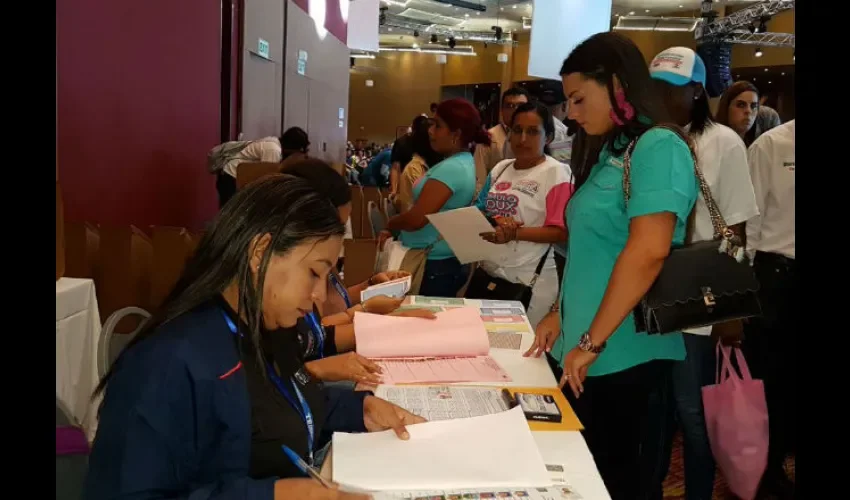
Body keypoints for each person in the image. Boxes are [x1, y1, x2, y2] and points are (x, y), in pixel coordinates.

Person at [84, 175, 425, 500]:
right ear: (260, 253)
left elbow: (293, 402)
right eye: (313, 273)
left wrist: (360, 409)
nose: (321, 294)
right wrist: (274, 494)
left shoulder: (265, 327)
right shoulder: (167, 363)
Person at [527, 32, 698, 500]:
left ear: (618, 84)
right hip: (586, 354)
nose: (572, 114)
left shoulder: (659, 147)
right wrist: (561, 316)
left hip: (624, 356)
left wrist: (589, 340)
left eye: (579, 99)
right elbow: (592, 252)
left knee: (621, 483)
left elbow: (648, 251)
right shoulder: (611, 153)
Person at [642, 46, 760, 500]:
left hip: (698, 291)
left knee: (693, 410)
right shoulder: (644, 139)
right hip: (648, 285)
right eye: (655, 89)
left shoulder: (723, 142)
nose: (663, 99)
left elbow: (737, 226)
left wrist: (732, 310)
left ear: (696, 92)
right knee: (655, 406)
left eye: (673, 90)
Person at [470, 101, 573, 328]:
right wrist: (496, 221)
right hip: (489, 273)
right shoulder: (501, 169)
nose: (522, 139)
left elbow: (560, 231)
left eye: (533, 132)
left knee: (519, 350)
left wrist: (515, 233)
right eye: (517, 130)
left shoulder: (556, 174)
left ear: (548, 138)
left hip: (529, 279)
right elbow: (480, 209)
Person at [380, 98, 490, 297]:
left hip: (433, 263)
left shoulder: (452, 168)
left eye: (437, 126)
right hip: (439, 260)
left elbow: (417, 219)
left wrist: (390, 223)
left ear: (455, 134)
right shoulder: (460, 163)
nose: (430, 131)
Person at [744, 119, 796, 499]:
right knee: (772, 381)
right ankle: (768, 473)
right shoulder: (771, 145)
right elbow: (750, 219)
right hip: (777, 275)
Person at [474, 87, 530, 191]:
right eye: (510, 106)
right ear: (501, 110)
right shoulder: (489, 137)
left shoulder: (535, 137)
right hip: (497, 198)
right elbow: (479, 179)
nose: (516, 110)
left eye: (521, 106)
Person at [396, 116, 444, 212]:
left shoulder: (434, 165)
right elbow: (412, 213)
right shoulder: (413, 169)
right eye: (433, 141)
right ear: (426, 143)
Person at [389, 116, 429, 196]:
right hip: (405, 183)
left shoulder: (429, 142)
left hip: (424, 183)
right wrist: (394, 190)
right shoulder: (401, 142)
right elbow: (395, 167)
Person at [716, 81, 760, 146]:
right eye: (741, 105)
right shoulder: (712, 142)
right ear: (726, 107)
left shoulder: (758, 145)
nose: (749, 111)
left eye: (753, 106)